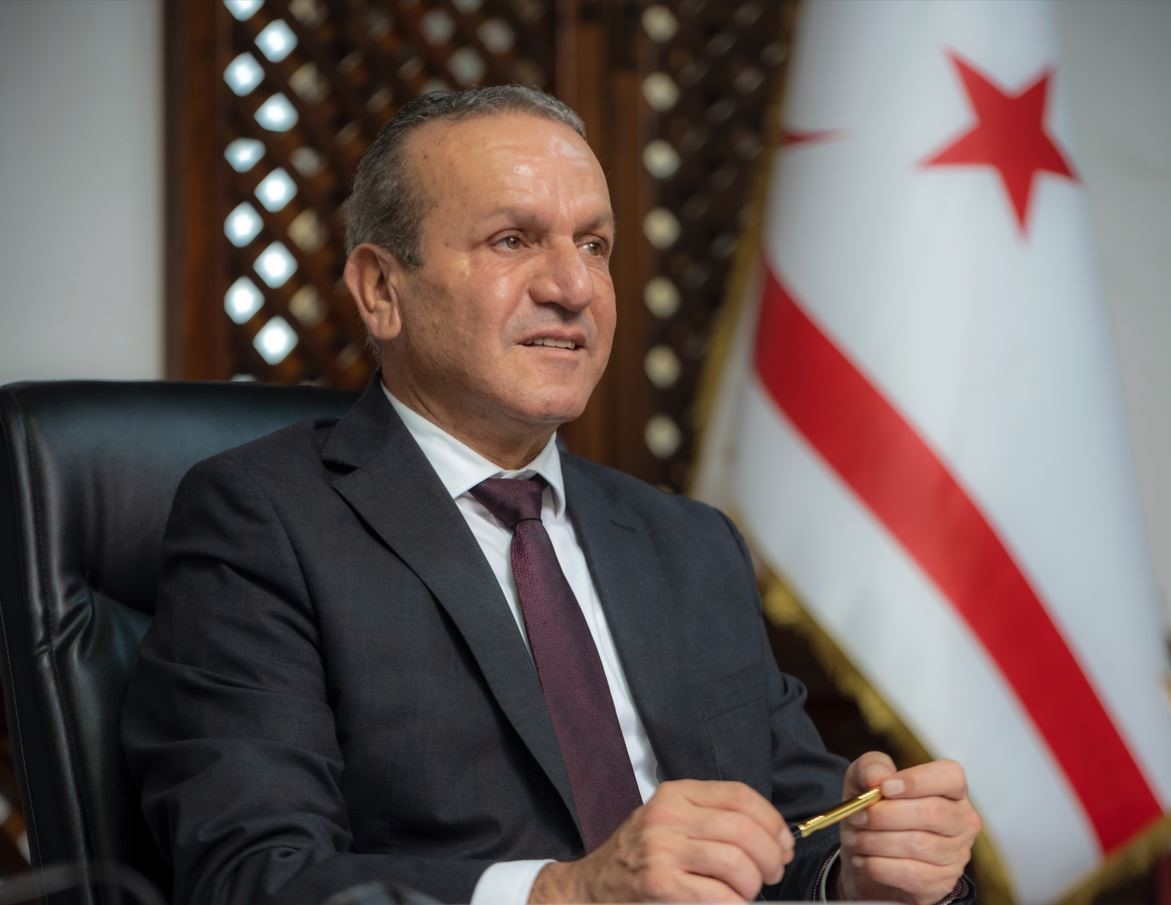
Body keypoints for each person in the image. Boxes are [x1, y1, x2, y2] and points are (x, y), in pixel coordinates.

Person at [123, 85, 980, 905]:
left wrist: (863, 875)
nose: (572, 287)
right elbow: (250, 878)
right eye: (513, 240)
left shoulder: (689, 543)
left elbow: (795, 835)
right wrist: (568, 892)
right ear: (382, 290)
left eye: (594, 245)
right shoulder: (264, 520)